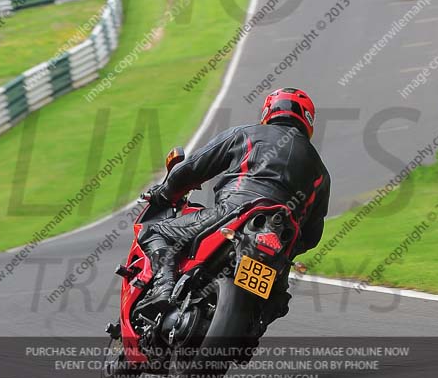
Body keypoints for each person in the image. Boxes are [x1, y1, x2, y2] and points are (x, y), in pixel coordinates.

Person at [138, 87, 331, 327]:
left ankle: (163, 287)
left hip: (231, 213)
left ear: (268, 111)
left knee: (154, 231)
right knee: (275, 301)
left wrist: (165, 192)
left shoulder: (247, 134)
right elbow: (313, 235)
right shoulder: (321, 173)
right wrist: (287, 248)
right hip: (280, 241)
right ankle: (250, 328)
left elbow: (194, 168)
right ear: (308, 120)